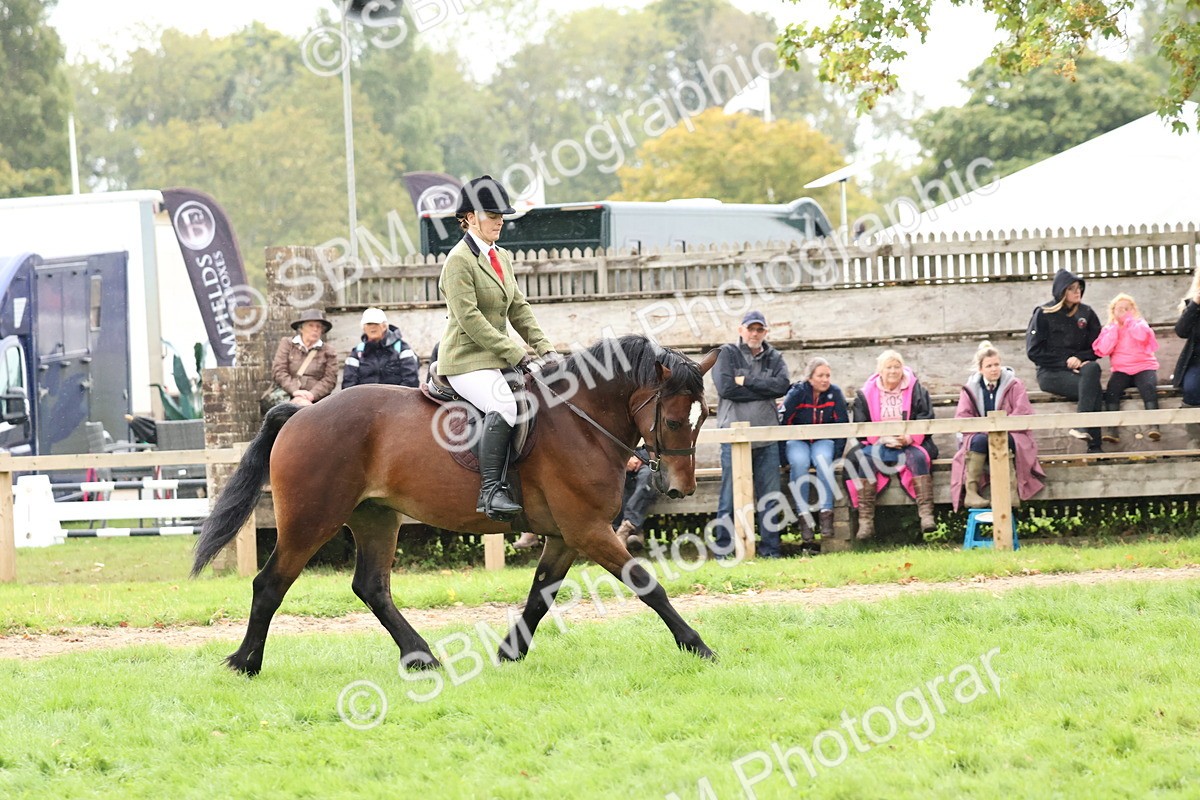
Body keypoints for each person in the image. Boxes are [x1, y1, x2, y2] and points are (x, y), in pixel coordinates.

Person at [438, 175, 560, 521]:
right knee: (506, 406)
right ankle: (490, 491)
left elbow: (518, 308)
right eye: (492, 214)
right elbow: (470, 319)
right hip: (465, 359)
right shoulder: (458, 260)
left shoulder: (501, 256)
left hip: (496, 357)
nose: (500, 221)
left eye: (502, 215)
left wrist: (546, 350)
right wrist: (516, 353)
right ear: (470, 217)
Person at [710, 310, 791, 558]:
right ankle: (723, 549)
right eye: (751, 329)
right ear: (741, 330)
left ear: (765, 332)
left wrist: (746, 381)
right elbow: (726, 388)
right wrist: (763, 390)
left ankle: (771, 550)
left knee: (770, 495)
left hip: (766, 436)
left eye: (760, 330)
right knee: (729, 495)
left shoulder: (774, 356)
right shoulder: (727, 354)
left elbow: (782, 386)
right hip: (734, 437)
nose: (755, 334)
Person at [846, 350, 938, 537]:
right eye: (889, 367)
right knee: (864, 460)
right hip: (879, 443)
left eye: (897, 366)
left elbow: (925, 416)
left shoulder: (916, 389)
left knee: (919, 457)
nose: (893, 371)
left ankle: (927, 515)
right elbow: (861, 423)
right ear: (880, 370)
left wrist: (908, 437)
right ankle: (866, 523)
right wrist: (881, 439)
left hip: (909, 442)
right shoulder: (866, 393)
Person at [950, 341, 1045, 511]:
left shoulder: (1014, 385)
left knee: (1004, 439)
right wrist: (987, 430)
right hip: (981, 435)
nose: (994, 369)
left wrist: (998, 429)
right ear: (981, 369)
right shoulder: (970, 388)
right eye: (989, 366)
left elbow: (1022, 412)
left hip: (1011, 433)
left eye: (996, 364)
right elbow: (963, 417)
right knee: (977, 441)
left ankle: (1009, 492)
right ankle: (971, 493)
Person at [1025, 268, 1103, 452]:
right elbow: (1034, 351)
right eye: (1072, 288)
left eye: (1079, 288)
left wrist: (1079, 358)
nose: (1077, 292)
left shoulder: (1087, 313)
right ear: (1062, 291)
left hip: (1080, 371)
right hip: (1051, 373)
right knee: (1094, 390)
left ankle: (1083, 428)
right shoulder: (1044, 313)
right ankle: (1095, 448)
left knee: (1093, 370)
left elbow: (1098, 346)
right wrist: (1065, 361)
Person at [780, 357, 847, 548]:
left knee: (824, 461)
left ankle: (826, 515)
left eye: (827, 375)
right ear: (810, 377)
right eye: (820, 375)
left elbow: (842, 426)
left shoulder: (835, 393)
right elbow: (782, 422)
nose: (825, 379)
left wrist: (837, 454)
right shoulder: (798, 393)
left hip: (822, 440)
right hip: (798, 440)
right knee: (799, 463)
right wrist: (782, 457)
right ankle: (804, 518)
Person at [1093, 293, 1161, 443]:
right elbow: (1104, 350)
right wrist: (1113, 331)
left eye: (1127, 309)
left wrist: (1129, 322)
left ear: (1133, 310)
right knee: (1112, 390)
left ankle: (1154, 426)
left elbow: (1142, 337)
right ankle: (1112, 429)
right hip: (1122, 369)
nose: (1123, 312)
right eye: (1120, 309)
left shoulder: (1139, 323)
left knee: (1148, 387)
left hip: (1143, 367)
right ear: (1113, 311)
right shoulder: (1110, 328)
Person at [271, 309, 338, 407]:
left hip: (315, 400)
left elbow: (330, 379)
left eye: (318, 327)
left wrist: (311, 395)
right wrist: (295, 391)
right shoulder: (288, 344)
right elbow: (279, 371)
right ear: (301, 328)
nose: (315, 329)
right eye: (311, 325)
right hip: (287, 395)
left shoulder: (328, 351)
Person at [341, 307, 420, 389]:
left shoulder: (402, 348)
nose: (372, 327)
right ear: (363, 328)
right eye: (369, 324)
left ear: (384, 326)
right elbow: (348, 384)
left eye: (376, 324)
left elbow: (411, 380)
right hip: (365, 400)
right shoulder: (357, 353)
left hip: (396, 399)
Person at [615, 447, 657, 550]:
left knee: (646, 478)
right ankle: (633, 533)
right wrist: (625, 459)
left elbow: (659, 444)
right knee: (616, 481)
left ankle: (625, 530)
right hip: (619, 464)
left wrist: (640, 458)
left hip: (648, 464)